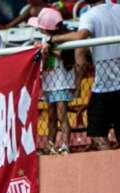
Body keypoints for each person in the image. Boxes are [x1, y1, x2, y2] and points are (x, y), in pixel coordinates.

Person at [45, 0, 120, 150]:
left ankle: (109, 170)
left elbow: (81, 35)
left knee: (99, 136)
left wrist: (53, 39)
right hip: (106, 83)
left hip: (105, 87)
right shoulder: (118, 8)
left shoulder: (89, 15)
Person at [32, 8, 77, 154]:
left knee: (62, 116)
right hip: (49, 82)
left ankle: (65, 145)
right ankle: (50, 145)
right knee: (51, 116)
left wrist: (50, 50)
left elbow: (68, 59)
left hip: (62, 83)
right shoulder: (44, 39)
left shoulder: (63, 38)